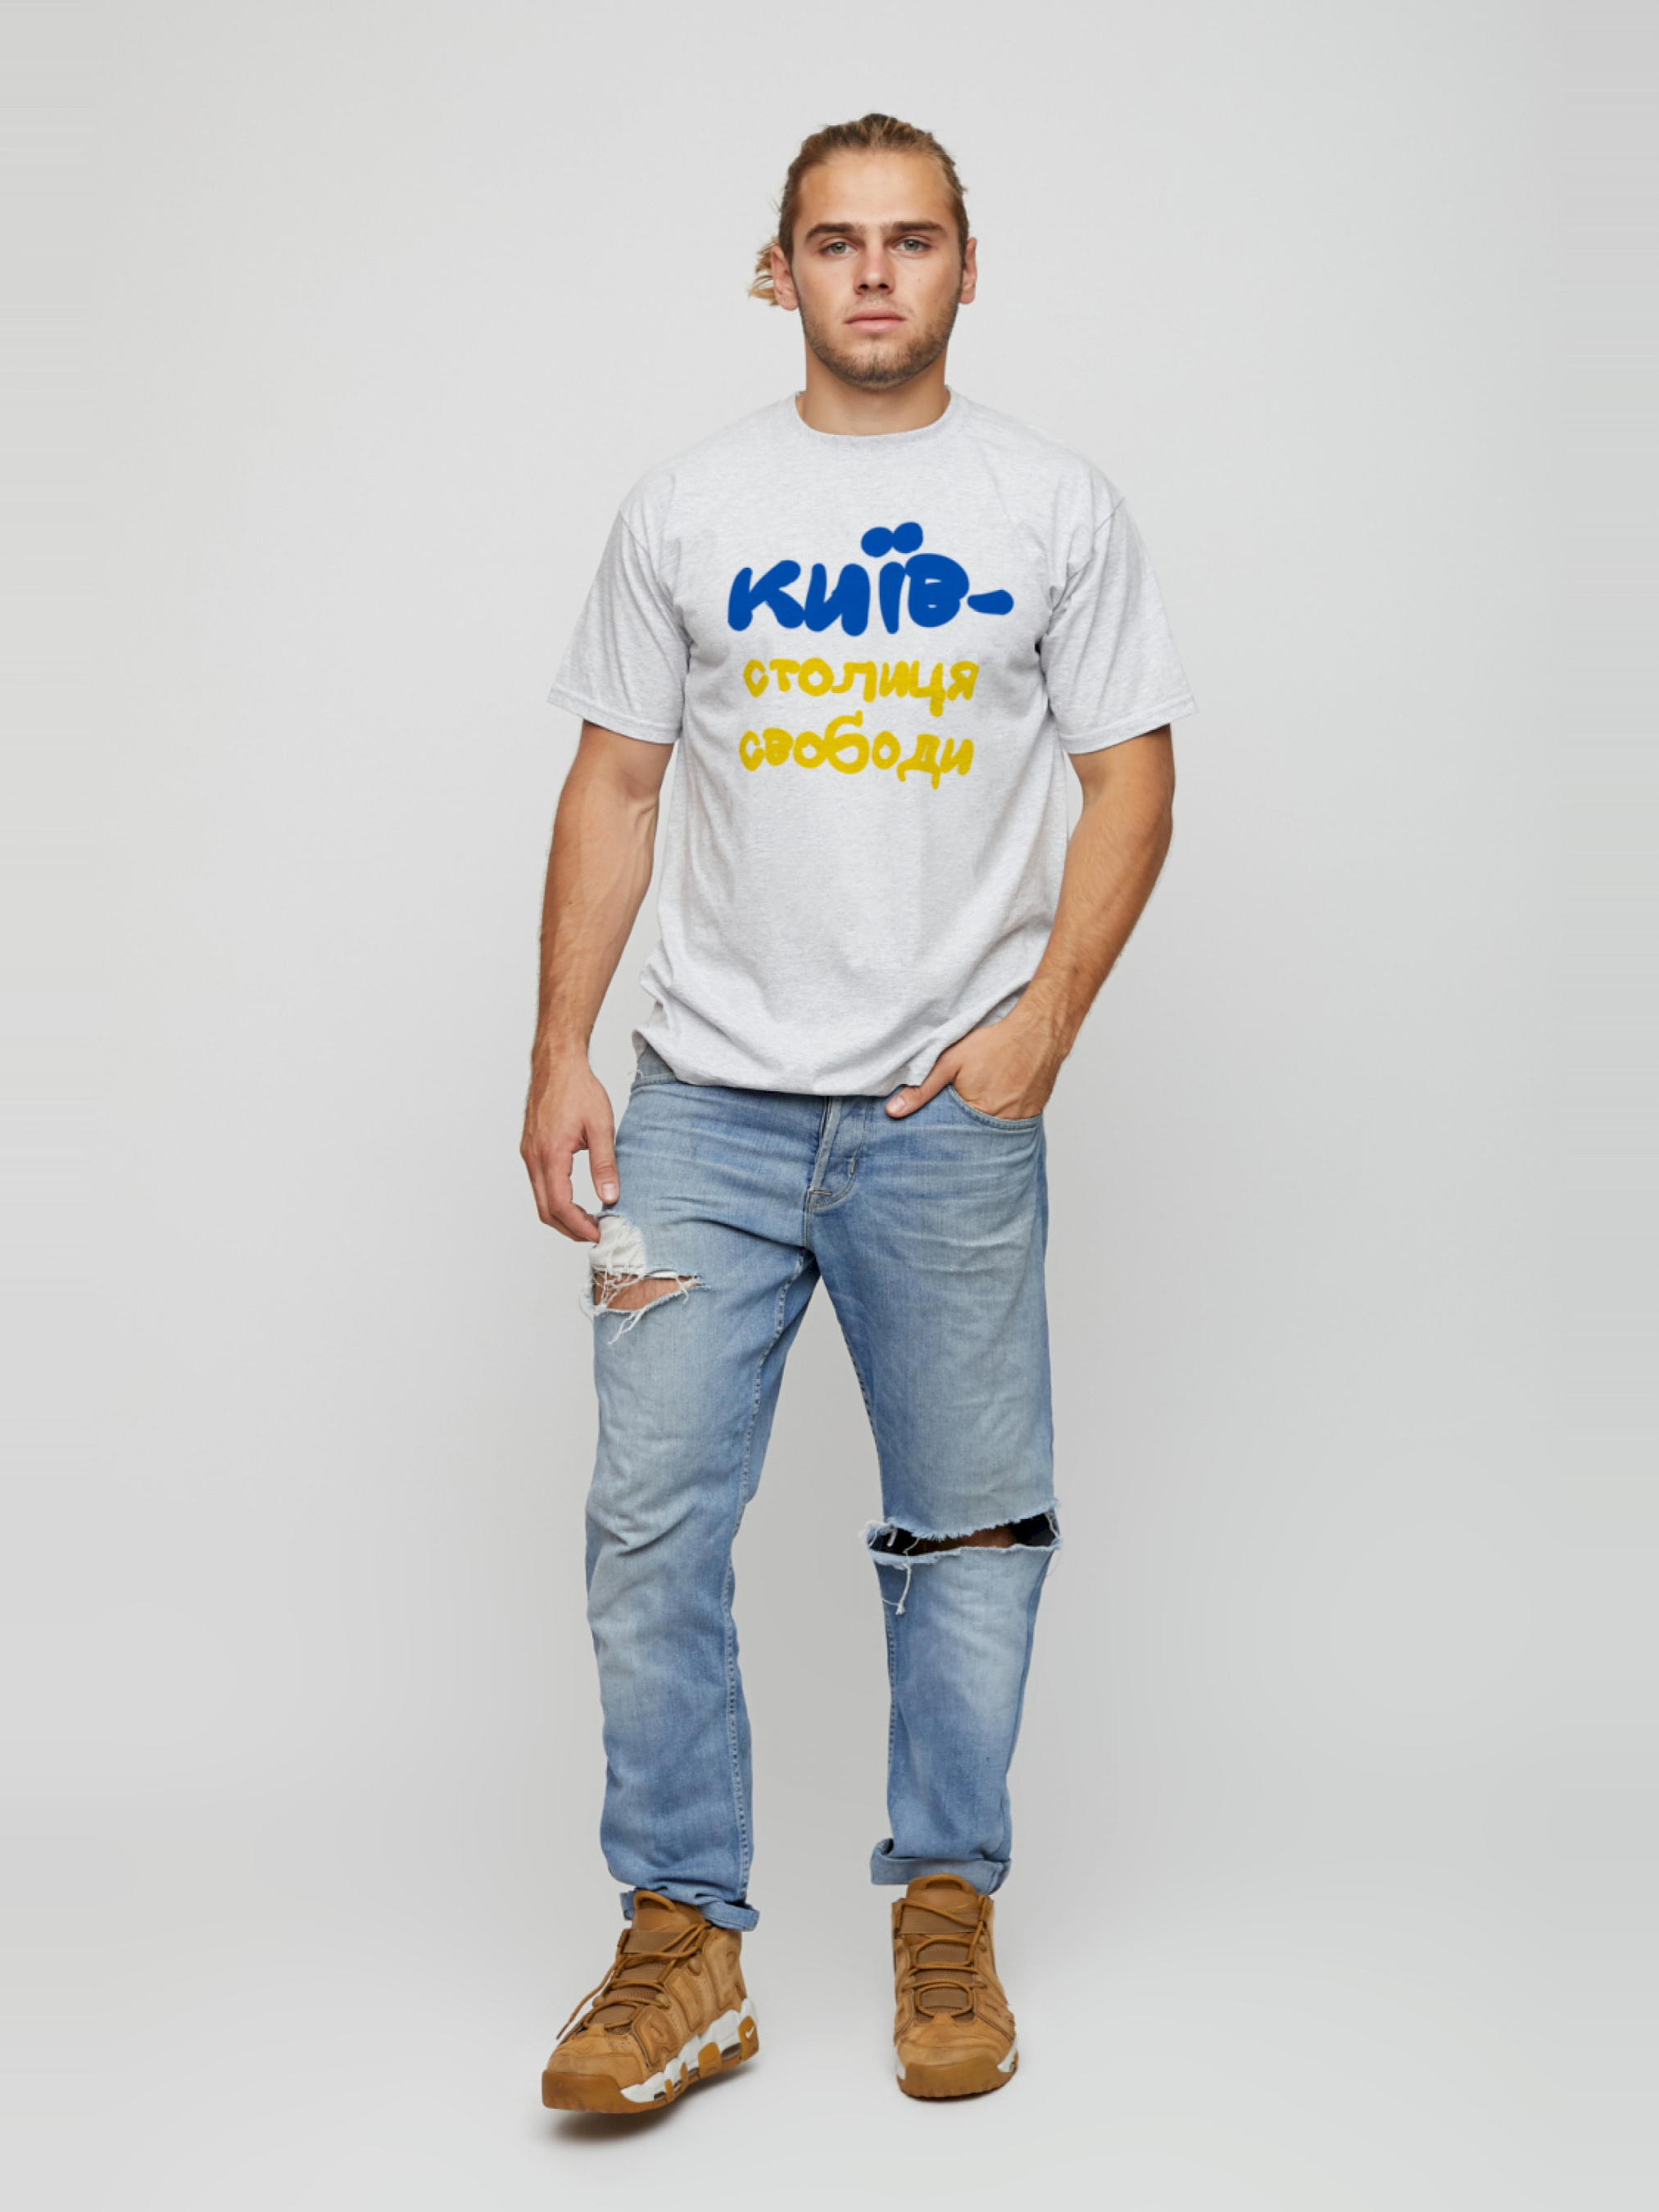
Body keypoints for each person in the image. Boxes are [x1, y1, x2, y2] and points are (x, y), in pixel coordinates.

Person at [522, 112, 1195, 2112]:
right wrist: (558, 1047)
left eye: (910, 239)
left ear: (966, 267)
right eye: (835, 241)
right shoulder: (688, 505)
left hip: (941, 1119)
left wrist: (1040, 1025)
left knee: (966, 1533)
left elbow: (1134, 776)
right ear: (780, 272)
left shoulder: (1051, 505)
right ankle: (680, 1945)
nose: (874, 272)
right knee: (648, 1526)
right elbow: (616, 782)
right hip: (700, 1112)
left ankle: (945, 1905)